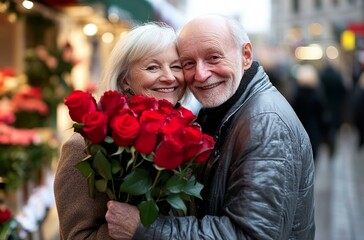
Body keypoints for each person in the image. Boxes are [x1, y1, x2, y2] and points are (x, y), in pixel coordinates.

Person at [105, 14, 315, 239]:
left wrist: (145, 228)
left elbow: (251, 235)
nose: (201, 74)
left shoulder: (265, 121)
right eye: (188, 63)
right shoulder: (224, 111)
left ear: (245, 56)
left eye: (214, 58)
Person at [53, 22, 186, 239]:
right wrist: (135, 228)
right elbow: (76, 236)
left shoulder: (188, 136)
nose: (169, 77)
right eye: (153, 67)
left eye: (176, 66)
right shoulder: (83, 147)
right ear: (125, 79)